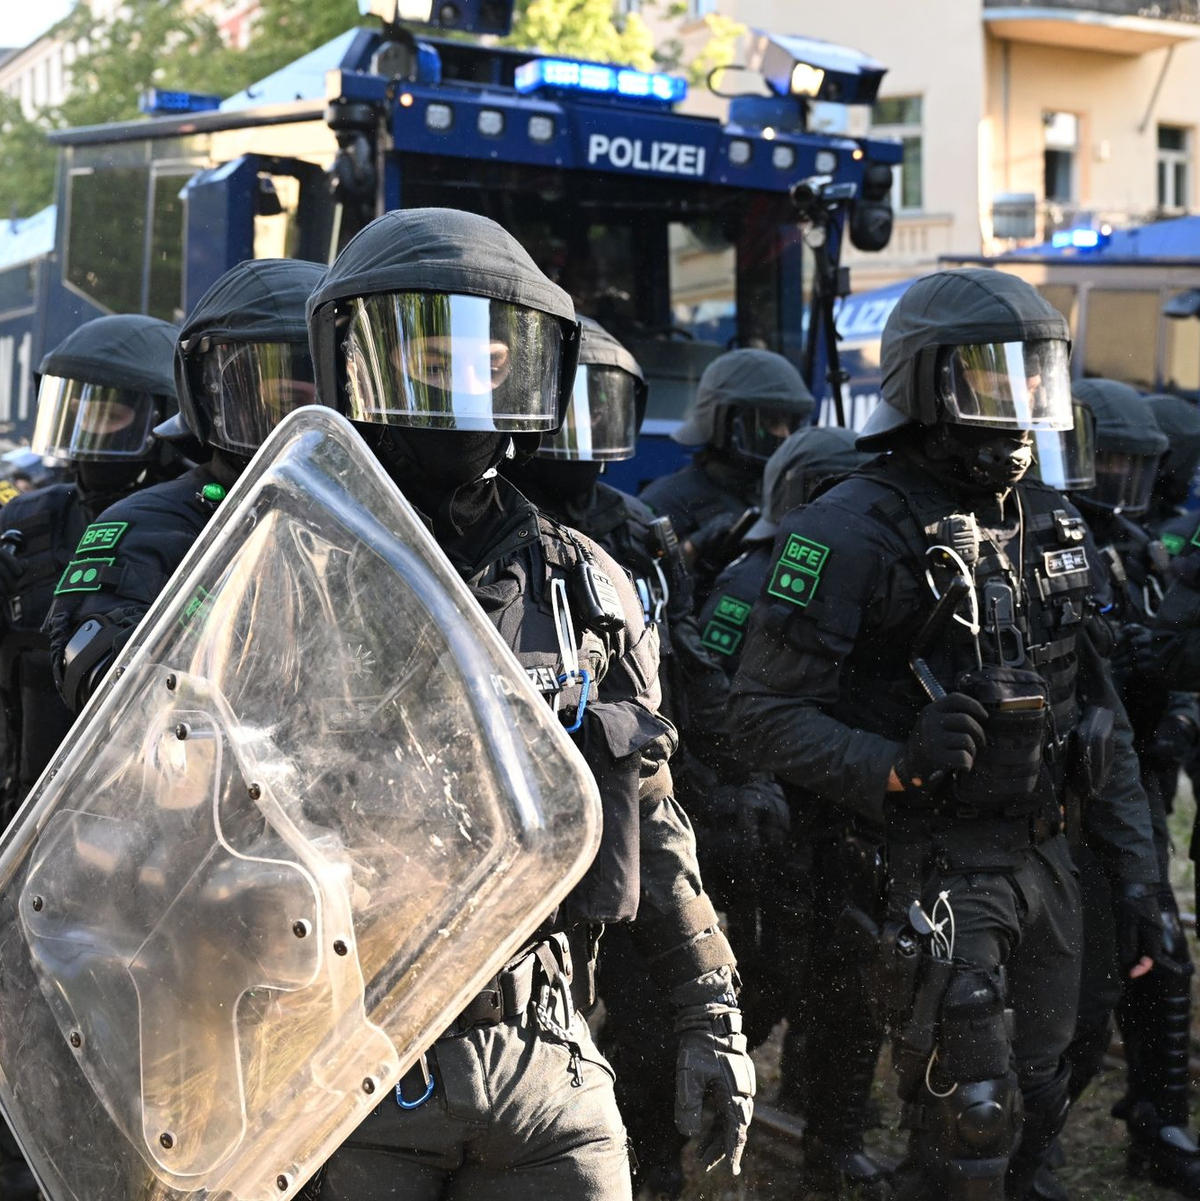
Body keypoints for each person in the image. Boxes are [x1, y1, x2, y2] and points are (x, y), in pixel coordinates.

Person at [299, 207, 754, 1200]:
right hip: (345, 1058)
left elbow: (654, 813)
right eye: (425, 349)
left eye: (484, 353)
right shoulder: (282, 569)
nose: (458, 379)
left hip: (548, 1046)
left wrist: (709, 1010)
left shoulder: (585, 581)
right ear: (354, 360)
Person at [730, 268, 1163, 1201]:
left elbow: (1103, 719)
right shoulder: (846, 530)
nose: (1014, 407)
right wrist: (892, 764)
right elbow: (759, 715)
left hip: (1049, 853)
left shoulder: (1053, 521)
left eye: (1031, 379)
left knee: (1051, 1083)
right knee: (970, 1109)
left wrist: (1141, 872)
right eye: (987, 379)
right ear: (927, 387)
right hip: (926, 859)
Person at [45, 258, 326, 715]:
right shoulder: (153, 525)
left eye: (329, 402)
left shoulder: (396, 515)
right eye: (283, 401)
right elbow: (105, 688)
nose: (304, 424)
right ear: (213, 395)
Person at [1057, 380, 1200, 1199]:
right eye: (1104, 462)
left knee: (1163, 962)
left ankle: (1156, 1120)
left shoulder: (1141, 552)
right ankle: (1022, 1145)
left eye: (1132, 467)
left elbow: (1167, 650)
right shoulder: (1044, 541)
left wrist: (1178, 713)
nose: (1119, 482)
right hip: (1068, 802)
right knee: (1079, 1002)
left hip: (1135, 789)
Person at [0, 314, 185, 819]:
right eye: (76, 414)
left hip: (149, 824)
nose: (86, 435)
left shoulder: (196, 525)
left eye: (107, 418)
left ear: (162, 419)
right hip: (23, 822)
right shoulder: (26, 520)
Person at [639, 348, 813, 603]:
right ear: (727, 422)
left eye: (790, 422)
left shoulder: (778, 494)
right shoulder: (666, 501)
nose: (785, 435)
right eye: (772, 421)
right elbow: (637, 593)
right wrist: (692, 550)